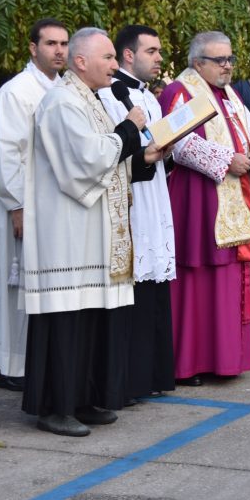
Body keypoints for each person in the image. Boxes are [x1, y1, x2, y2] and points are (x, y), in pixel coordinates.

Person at [20, 27, 163, 437]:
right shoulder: (62, 102)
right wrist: (130, 129)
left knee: (91, 320)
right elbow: (86, 160)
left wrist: (146, 157)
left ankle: (82, 399)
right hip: (67, 235)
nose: (116, 66)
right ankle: (55, 407)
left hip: (92, 233)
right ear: (81, 62)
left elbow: (110, 161)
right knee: (67, 321)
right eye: (109, 58)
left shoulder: (91, 100)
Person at [158, 32, 250, 385]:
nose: (228, 66)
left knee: (229, 279)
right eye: (220, 60)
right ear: (198, 63)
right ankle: (189, 363)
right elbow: (177, 142)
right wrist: (226, 159)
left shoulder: (231, 94)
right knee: (196, 280)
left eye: (230, 59)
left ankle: (225, 359)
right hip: (198, 197)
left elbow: (249, 130)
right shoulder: (180, 91)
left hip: (234, 195)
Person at [0, 18, 68, 392]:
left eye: (64, 44)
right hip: (21, 204)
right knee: (15, 286)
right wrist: (17, 205)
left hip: (55, 205)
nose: (59, 51)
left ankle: (38, 360)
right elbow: (4, 152)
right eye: (51, 43)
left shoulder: (65, 89)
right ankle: (9, 365)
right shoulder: (16, 91)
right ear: (33, 48)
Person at [97, 25, 177, 400]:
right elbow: (113, 148)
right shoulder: (110, 95)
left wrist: (167, 151)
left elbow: (155, 147)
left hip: (154, 194)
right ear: (128, 55)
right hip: (131, 199)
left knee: (154, 289)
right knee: (135, 291)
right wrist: (146, 155)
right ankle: (129, 381)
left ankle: (152, 377)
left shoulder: (150, 98)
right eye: (152, 51)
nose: (159, 58)